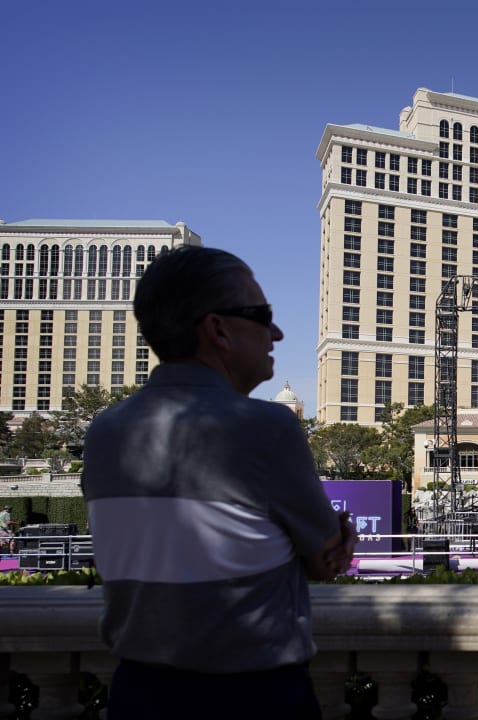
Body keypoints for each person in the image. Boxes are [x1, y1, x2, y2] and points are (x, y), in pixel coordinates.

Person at [81, 245, 356, 720]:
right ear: (217, 330)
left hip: (135, 694)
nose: (277, 332)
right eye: (262, 315)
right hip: (254, 696)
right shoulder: (268, 428)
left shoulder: (104, 429)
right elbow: (324, 558)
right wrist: (333, 538)